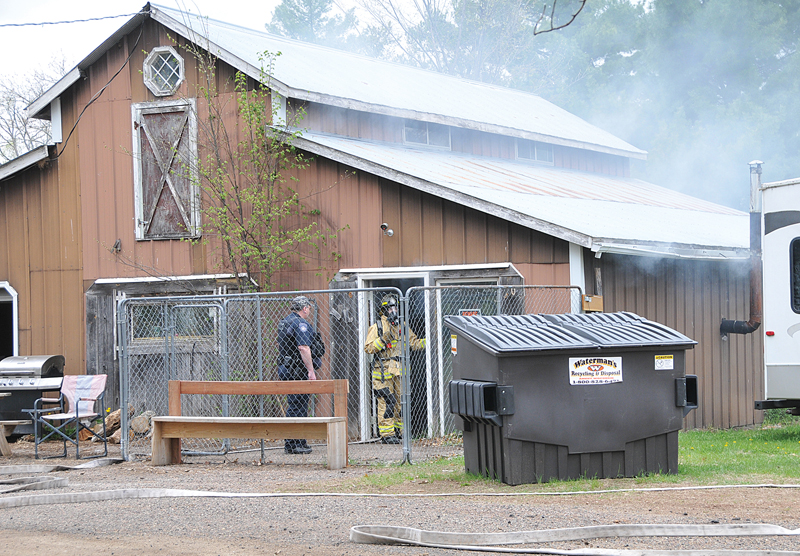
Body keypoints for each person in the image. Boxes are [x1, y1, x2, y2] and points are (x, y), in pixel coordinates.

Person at [364, 294, 426, 444]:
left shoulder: (402, 325)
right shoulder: (378, 326)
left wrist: (429, 341)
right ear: (384, 310)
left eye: (395, 307)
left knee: (400, 401)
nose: (393, 310)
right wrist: (385, 338)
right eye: (390, 308)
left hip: (400, 371)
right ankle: (387, 434)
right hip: (383, 372)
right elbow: (368, 348)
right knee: (387, 401)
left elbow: (414, 343)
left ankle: (399, 431)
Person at [277, 295, 318, 454]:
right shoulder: (300, 323)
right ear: (305, 308)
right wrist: (311, 370)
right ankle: (292, 444)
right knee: (297, 406)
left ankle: (299, 440)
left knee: (298, 405)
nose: (309, 311)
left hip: (287, 368)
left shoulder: (285, 321)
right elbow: (303, 347)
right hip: (297, 371)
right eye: (308, 308)